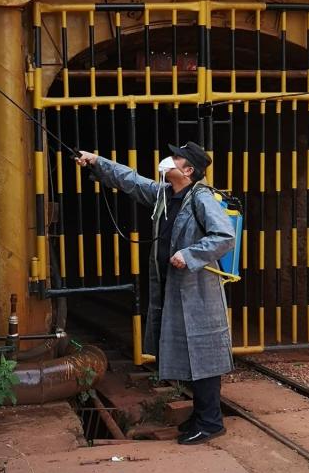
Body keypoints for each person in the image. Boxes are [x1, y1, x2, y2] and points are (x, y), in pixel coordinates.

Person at [76, 141, 235, 444]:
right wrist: (97, 162)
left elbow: (225, 235)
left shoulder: (201, 198)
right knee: (189, 353)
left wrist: (189, 254)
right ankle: (201, 415)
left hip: (197, 291)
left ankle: (211, 422)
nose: (168, 160)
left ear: (188, 170)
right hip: (175, 288)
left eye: (176, 158)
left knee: (202, 353)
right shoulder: (166, 194)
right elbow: (132, 181)